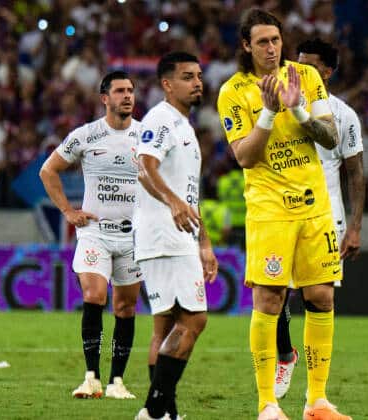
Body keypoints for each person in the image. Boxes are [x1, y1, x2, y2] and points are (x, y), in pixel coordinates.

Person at [216, 9, 351, 420]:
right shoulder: (233, 92)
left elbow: (331, 138)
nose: (271, 48)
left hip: (314, 206)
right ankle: (268, 405)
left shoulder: (305, 78)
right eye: (262, 42)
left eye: (275, 40)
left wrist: (299, 111)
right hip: (270, 210)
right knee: (270, 300)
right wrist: (271, 112)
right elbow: (244, 156)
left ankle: (317, 401)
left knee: (322, 296)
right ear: (246, 46)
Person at [272, 37, 365, 400]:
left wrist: (355, 226)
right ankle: (284, 354)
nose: (295, 71)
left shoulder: (343, 115)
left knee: (317, 299)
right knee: (275, 293)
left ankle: (317, 391)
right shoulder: (276, 104)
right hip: (282, 211)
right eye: (294, 64)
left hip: (326, 217)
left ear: (327, 72)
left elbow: (356, 173)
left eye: (306, 66)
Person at [39, 71, 142, 400]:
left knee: (125, 308)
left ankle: (117, 382)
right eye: (120, 91)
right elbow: (48, 170)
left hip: (132, 236)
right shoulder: (86, 135)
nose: (127, 96)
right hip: (94, 232)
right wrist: (68, 211)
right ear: (105, 98)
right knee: (95, 294)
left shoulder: (146, 136)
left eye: (130, 91)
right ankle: (91, 377)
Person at [134, 51, 218, 420]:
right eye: (187, 76)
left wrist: (204, 241)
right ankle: (153, 414)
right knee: (195, 320)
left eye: (198, 75)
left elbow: (188, 193)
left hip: (178, 236)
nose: (197, 82)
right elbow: (144, 167)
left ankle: (166, 414)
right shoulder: (161, 119)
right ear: (167, 84)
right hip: (164, 236)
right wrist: (172, 203)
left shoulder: (184, 125)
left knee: (166, 326)